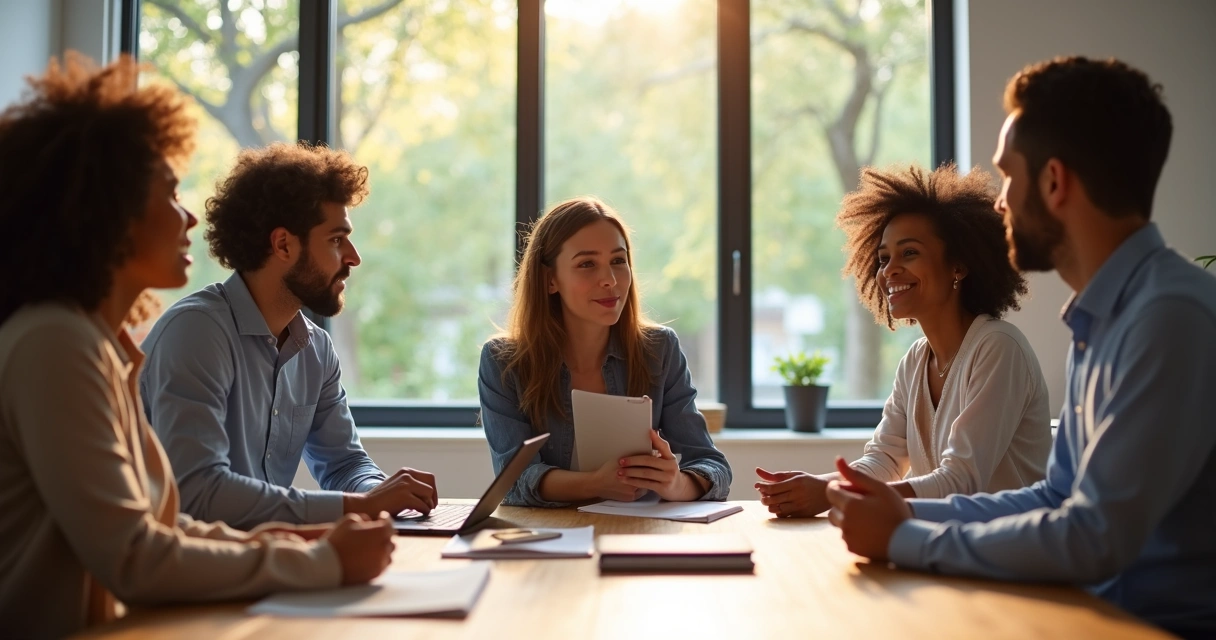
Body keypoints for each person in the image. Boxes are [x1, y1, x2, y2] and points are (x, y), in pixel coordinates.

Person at [0, 53, 395, 638]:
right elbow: (136, 554)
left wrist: (307, 538)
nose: (188, 219)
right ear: (107, 213)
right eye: (168, 194)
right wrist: (321, 558)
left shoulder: (94, 345)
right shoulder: (54, 343)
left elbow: (167, 528)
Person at [823, 56, 1216, 638]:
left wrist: (906, 536)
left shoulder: (1169, 318)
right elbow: (1056, 496)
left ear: (1054, 182)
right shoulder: (1102, 319)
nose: (1000, 203)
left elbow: (1093, 536)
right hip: (1090, 613)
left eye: (1009, 176)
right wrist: (904, 514)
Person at [139, 142, 439, 530]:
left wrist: (383, 494)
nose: (353, 257)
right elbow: (197, 493)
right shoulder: (196, 333)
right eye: (335, 239)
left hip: (260, 559)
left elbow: (345, 463)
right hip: (189, 572)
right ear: (283, 244)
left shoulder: (316, 349)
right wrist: (357, 507)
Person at [756, 164, 1052, 517]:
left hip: (1007, 554)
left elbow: (961, 480)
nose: (889, 270)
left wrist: (832, 493)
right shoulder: (915, 361)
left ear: (958, 266)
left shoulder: (999, 348)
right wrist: (815, 486)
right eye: (883, 259)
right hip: (942, 544)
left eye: (909, 253)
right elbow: (884, 460)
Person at [479, 197, 732, 506]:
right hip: (548, 537)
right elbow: (513, 480)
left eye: (618, 260)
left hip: (638, 536)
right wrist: (596, 484)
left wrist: (676, 483)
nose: (610, 280)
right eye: (587, 264)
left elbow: (712, 466)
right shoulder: (503, 361)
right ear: (550, 280)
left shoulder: (660, 349)